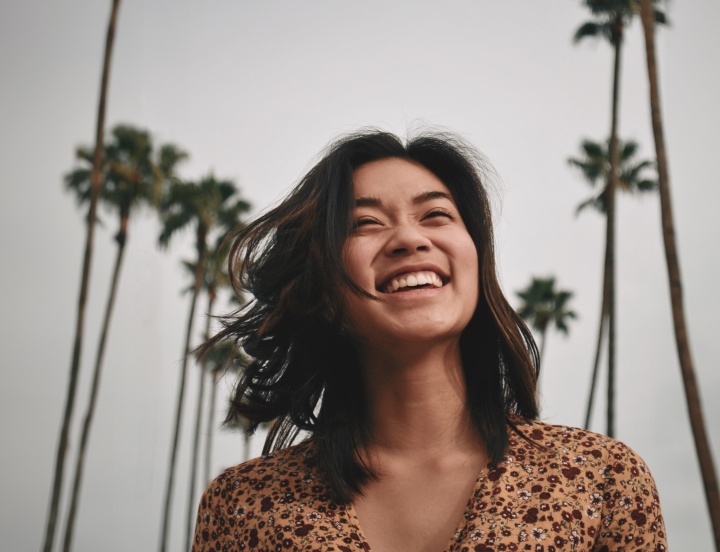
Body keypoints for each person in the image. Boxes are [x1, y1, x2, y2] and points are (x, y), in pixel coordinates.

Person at [192, 129, 666, 551]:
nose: (408, 238)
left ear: (476, 258)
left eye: (435, 214)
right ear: (324, 286)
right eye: (365, 223)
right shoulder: (243, 507)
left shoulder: (601, 478)